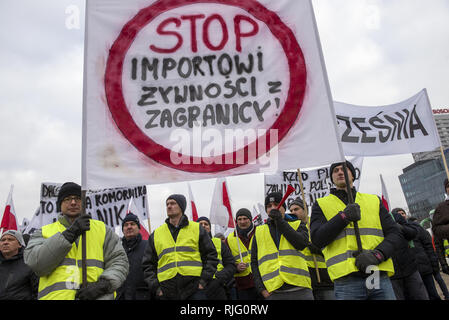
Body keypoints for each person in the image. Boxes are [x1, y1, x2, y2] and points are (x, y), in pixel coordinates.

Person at [24, 182, 129, 300]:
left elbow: (120, 261)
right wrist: (69, 234)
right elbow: (37, 264)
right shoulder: (43, 232)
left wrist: (104, 285)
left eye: (78, 198)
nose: (73, 202)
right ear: (60, 205)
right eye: (67, 199)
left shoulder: (103, 230)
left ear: (84, 202)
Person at [310, 161, 399, 300]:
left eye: (344, 169)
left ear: (353, 175)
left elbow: (395, 234)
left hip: (376, 273)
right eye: (335, 170)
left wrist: (378, 255)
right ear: (331, 178)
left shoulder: (373, 200)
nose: (340, 172)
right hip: (346, 280)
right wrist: (343, 217)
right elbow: (316, 240)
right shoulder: (321, 204)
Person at [142, 194, 218, 300]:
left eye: (173, 203)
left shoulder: (197, 229)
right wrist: (157, 288)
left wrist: (203, 281)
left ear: (181, 207)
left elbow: (211, 256)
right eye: (167, 204)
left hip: (194, 289)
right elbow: (148, 265)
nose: (169, 206)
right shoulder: (156, 234)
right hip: (166, 291)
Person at [251, 192, 314, 300]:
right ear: (266, 211)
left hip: (300, 288)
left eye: (276, 204)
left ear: (284, 208)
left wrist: (280, 221)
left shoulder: (298, 224)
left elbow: (301, 244)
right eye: (269, 206)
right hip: (274, 291)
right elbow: (254, 262)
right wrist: (261, 289)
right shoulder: (259, 231)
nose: (273, 208)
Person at [288, 197, 335, 300]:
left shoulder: (316, 224)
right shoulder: (291, 229)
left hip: (325, 278)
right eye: (291, 210)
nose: (293, 212)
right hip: (304, 281)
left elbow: (333, 246)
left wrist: (318, 249)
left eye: (296, 209)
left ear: (305, 209)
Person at [197, 216, 236, 300]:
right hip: (197, 288)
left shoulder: (219, 243)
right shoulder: (190, 245)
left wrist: (220, 278)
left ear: (210, 229)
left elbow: (231, 265)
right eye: (200, 224)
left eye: (206, 224)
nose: (203, 226)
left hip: (217, 287)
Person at [226, 208, 258, 300]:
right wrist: (236, 267)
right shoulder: (230, 239)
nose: (242, 221)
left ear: (251, 219)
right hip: (243, 286)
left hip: (264, 282)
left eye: (245, 218)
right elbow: (226, 262)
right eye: (239, 219)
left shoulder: (260, 232)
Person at [406, 215, 441, 300]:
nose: (401, 215)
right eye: (398, 213)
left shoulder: (417, 228)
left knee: (433, 293)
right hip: (411, 272)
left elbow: (428, 246)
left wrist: (434, 264)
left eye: (403, 213)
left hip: (425, 268)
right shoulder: (397, 231)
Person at [116, 213, 149, 300]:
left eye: (132, 224)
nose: (129, 227)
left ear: (138, 228)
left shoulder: (148, 247)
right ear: (123, 230)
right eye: (126, 225)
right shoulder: (117, 250)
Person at [0, 230, 38, 300]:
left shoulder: (29, 263)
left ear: (19, 244)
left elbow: (37, 292)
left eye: (10, 239)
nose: (5, 242)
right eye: (3, 240)